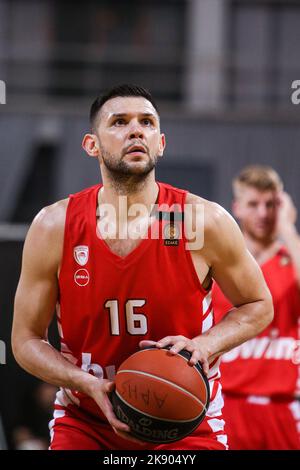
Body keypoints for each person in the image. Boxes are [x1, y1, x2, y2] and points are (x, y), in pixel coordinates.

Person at [11, 85, 273, 450]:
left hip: (186, 423)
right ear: (92, 145)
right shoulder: (53, 226)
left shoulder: (204, 221)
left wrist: (205, 344)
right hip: (87, 421)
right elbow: (25, 339)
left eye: (147, 122)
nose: (136, 130)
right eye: (119, 122)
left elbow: (259, 304)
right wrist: (82, 381)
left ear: (161, 143)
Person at [212, 165, 300, 450]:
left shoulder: (292, 260)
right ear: (236, 207)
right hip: (225, 404)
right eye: (253, 204)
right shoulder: (218, 264)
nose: (263, 213)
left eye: (271, 204)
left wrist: (288, 228)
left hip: (282, 407)